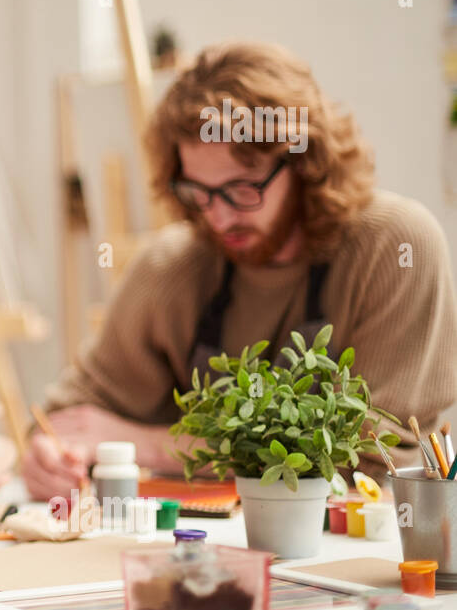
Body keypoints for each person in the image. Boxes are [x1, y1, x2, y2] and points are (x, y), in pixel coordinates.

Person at [23, 41, 457, 502]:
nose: (220, 218)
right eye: (199, 192)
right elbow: (69, 420)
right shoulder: (171, 268)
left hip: (355, 553)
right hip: (201, 550)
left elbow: (370, 458)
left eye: (242, 189)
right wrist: (49, 457)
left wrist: (151, 444)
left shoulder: (394, 248)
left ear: (306, 163)